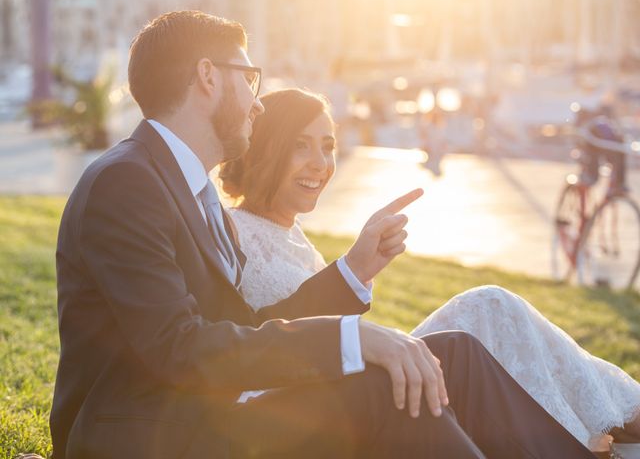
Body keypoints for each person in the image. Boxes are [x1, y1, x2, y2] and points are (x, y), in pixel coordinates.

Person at [51, 11, 594, 459]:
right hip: (151, 437)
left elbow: (242, 328)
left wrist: (352, 278)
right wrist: (352, 340)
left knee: (450, 356)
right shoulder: (127, 182)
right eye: (250, 77)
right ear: (208, 77)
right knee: (384, 389)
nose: (257, 101)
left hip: (209, 415)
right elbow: (180, 348)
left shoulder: (191, 189)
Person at [220, 87, 640, 455]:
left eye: (327, 146)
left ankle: (621, 418)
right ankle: (625, 420)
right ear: (267, 148)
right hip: (310, 409)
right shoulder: (233, 232)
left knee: (489, 311)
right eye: (301, 145)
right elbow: (265, 338)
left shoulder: (288, 230)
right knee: (487, 306)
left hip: (346, 387)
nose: (320, 163)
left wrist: (361, 268)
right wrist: (352, 269)